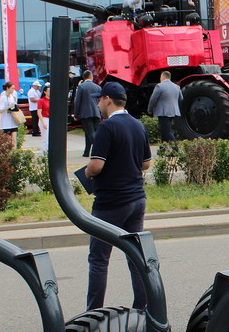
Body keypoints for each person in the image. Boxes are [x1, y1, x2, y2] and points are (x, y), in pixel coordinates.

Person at [83, 80, 151, 311]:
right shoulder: (137, 125)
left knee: (99, 260)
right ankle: (142, 309)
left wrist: (86, 172)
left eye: (100, 100)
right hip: (136, 199)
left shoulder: (106, 127)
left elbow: (96, 167)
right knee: (135, 258)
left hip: (110, 203)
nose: (99, 105)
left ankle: (93, 311)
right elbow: (146, 163)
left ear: (108, 100)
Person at [147, 70, 182, 143]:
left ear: (163, 76)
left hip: (163, 112)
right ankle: (162, 148)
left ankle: (175, 149)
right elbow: (181, 98)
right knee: (164, 130)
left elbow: (153, 99)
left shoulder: (159, 86)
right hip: (174, 111)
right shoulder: (176, 86)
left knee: (167, 132)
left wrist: (150, 110)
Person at [74, 70, 102, 157]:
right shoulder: (98, 87)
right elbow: (101, 100)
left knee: (90, 132)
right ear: (91, 77)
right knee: (91, 132)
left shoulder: (81, 87)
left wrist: (76, 114)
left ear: (84, 77)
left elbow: (78, 101)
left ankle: (100, 149)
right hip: (96, 112)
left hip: (86, 112)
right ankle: (87, 152)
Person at [37, 83, 51, 152]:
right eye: (48, 91)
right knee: (45, 139)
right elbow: (39, 112)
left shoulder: (52, 100)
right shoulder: (41, 101)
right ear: (45, 92)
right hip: (44, 119)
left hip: (50, 119)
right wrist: (43, 122)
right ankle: (44, 154)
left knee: (50, 138)